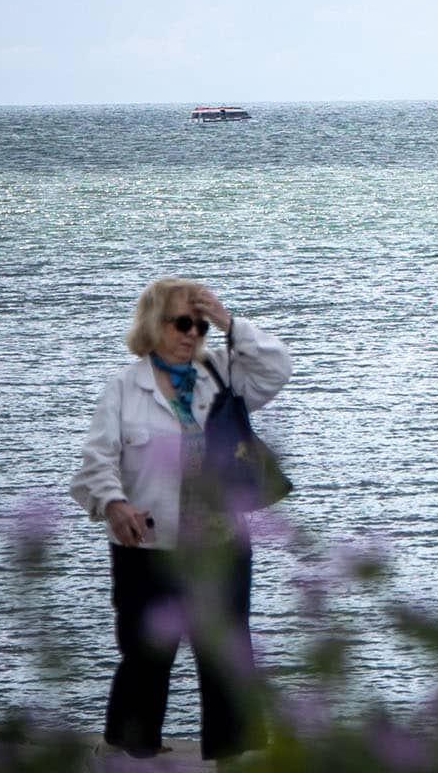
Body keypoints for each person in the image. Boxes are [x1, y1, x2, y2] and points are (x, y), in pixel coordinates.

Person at [71, 279, 292, 761]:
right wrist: (114, 503)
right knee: (145, 655)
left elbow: (278, 367)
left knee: (227, 656)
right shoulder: (125, 388)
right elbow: (96, 461)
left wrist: (229, 322)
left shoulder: (219, 374)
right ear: (154, 325)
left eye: (199, 325)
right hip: (147, 545)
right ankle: (133, 752)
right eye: (182, 323)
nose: (193, 333)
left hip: (220, 544)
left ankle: (235, 759)